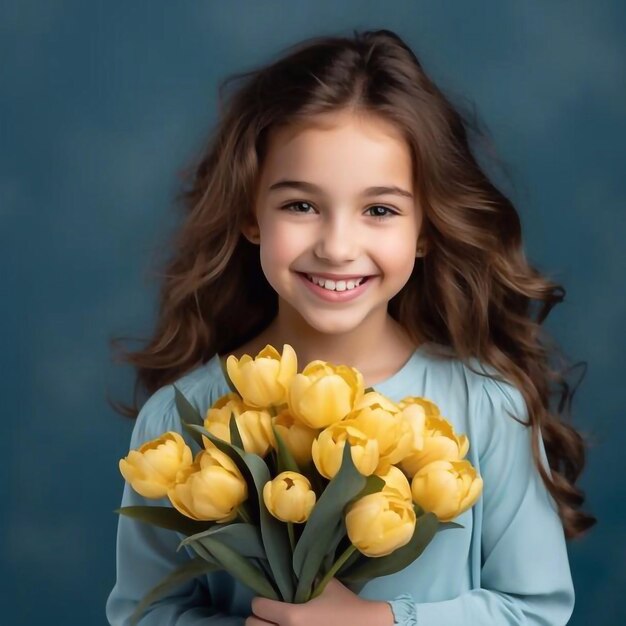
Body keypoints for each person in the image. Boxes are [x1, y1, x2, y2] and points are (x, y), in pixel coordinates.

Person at [106, 29, 595, 626]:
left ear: (425, 232)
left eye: (380, 210)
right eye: (301, 205)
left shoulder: (488, 407)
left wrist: (379, 621)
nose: (338, 247)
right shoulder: (179, 422)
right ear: (249, 215)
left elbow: (536, 611)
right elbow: (145, 614)